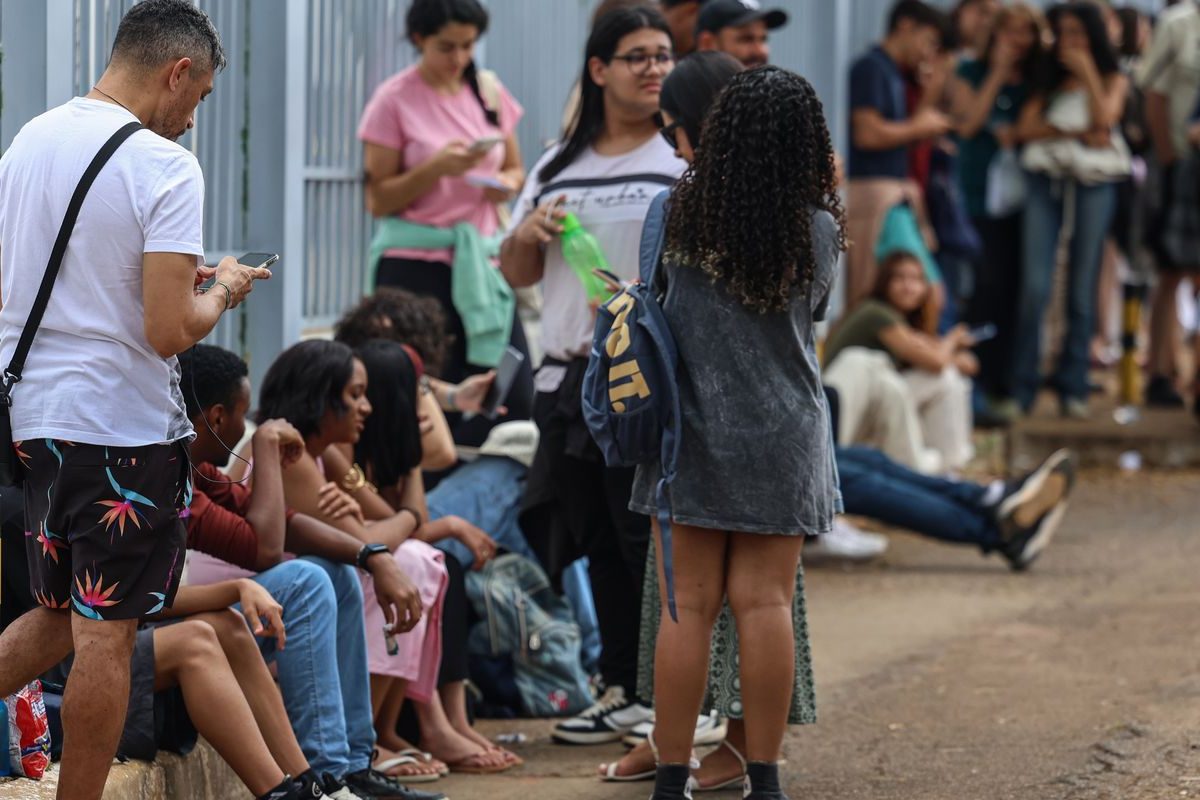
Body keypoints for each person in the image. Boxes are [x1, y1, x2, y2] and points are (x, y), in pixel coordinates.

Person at [0, 3, 271, 797]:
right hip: (117, 431)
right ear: (177, 72)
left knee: (57, 617)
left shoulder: (28, 142)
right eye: (203, 94)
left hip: (37, 422)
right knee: (106, 636)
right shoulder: (162, 165)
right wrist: (222, 288)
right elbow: (166, 331)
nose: (194, 117)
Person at [635, 65, 842, 800]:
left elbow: (650, 304)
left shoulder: (674, 213)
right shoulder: (816, 226)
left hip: (688, 429)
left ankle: (669, 777)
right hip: (783, 433)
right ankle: (765, 776)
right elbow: (813, 313)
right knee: (765, 605)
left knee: (685, 606)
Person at [501, 4, 685, 746]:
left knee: (648, 540)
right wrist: (528, 231)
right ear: (600, 69)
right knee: (600, 539)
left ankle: (662, 693)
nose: (654, 69)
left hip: (643, 382)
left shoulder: (682, 158)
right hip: (570, 379)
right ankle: (620, 687)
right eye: (637, 56)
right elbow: (516, 270)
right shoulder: (555, 163)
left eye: (663, 55)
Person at [178, 345, 446, 800]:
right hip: (204, 613)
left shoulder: (200, 470)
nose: (367, 406)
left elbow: (369, 522)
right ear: (219, 417)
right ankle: (329, 775)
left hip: (242, 612)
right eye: (355, 394)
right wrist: (263, 446)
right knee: (310, 579)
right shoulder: (256, 455)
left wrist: (371, 553)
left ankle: (353, 765)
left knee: (338, 573)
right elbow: (267, 548)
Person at [325, 338, 520, 775]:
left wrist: (411, 453)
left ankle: (418, 724)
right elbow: (395, 526)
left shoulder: (387, 447)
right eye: (415, 393)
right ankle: (377, 733)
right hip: (341, 571)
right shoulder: (341, 452)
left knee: (435, 561)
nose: (424, 405)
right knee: (419, 560)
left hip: (370, 557)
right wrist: (447, 525)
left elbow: (407, 520)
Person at [359, 0, 532, 447]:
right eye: (446, 47)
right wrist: (436, 168)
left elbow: (516, 169)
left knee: (510, 389)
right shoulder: (393, 99)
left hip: (481, 264)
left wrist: (502, 185)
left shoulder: (488, 90)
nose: (458, 58)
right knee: (421, 391)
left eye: (468, 46)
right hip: (416, 266)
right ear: (419, 40)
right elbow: (378, 198)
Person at [1013, 2, 1128, 419]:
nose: (1070, 43)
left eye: (1079, 34)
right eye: (1063, 34)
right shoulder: (1047, 78)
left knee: (1082, 286)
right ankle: (1023, 385)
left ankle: (1073, 383)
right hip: (1046, 178)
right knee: (1037, 285)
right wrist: (1075, 130)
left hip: (1095, 183)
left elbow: (1107, 118)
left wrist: (1088, 73)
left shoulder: (1113, 76)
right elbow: (1026, 129)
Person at [949, 3, 1045, 418]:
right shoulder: (970, 71)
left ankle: (1010, 380)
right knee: (984, 287)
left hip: (1027, 197)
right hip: (978, 196)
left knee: (1019, 289)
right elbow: (967, 124)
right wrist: (998, 74)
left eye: (1025, 32)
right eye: (1009, 32)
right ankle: (979, 383)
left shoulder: (1040, 80)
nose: (1017, 41)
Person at [824, 251, 978, 473]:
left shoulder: (898, 320)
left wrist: (948, 350)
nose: (909, 286)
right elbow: (937, 362)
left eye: (916, 279)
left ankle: (945, 466)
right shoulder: (876, 313)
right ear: (884, 282)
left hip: (869, 403)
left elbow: (967, 364)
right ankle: (946, 466)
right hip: (850, 408)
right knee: (943, 378)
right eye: (900, 278)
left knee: (950, 379)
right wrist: (952, 340)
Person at [845, 0, 953, 306]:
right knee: (924, 292)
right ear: (905, 26)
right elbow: (867, 132)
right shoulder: (871, 67)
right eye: (928, 41)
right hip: (878, 196)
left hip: (895, 195)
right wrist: (919, 127)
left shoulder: (894, 72)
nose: (928, 53)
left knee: (911, 294)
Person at [1136, 0, 1200, 409]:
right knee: (1172, 269)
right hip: (1180, 164)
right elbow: (1153, 93)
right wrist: (1168, 157)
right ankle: (1161, 371)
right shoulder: (1179, 24)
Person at [694, 0, 788, 69]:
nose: (760, 51)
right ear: (707, 43)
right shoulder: (684, 93)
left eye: (763, 39)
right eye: (746, 39)